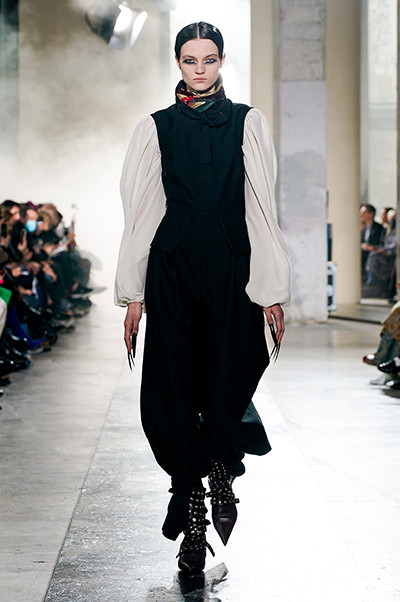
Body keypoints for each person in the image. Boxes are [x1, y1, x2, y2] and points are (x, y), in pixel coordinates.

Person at [114, 22, 291, 574]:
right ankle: (193, 511)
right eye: (190, 60)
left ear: (221, 61)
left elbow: (261, 205)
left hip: (232, 272)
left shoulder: (246, 122)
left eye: (208, 59)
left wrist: (271, 289)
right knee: (173, 388)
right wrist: (134, 293)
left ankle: (220, 468)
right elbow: (142, 211)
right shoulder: (156, 127)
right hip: (174, 273)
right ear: (178, 62)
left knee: (227, 378)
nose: (199, 69)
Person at [360, 203, 385, 283]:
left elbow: (380, 243)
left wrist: (370, 247)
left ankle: (369, 282)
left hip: (373, 253)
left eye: (364, 212)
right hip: (364, 253)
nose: (361, 214)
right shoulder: (362, 228)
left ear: (371, 214)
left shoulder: (379, 228)